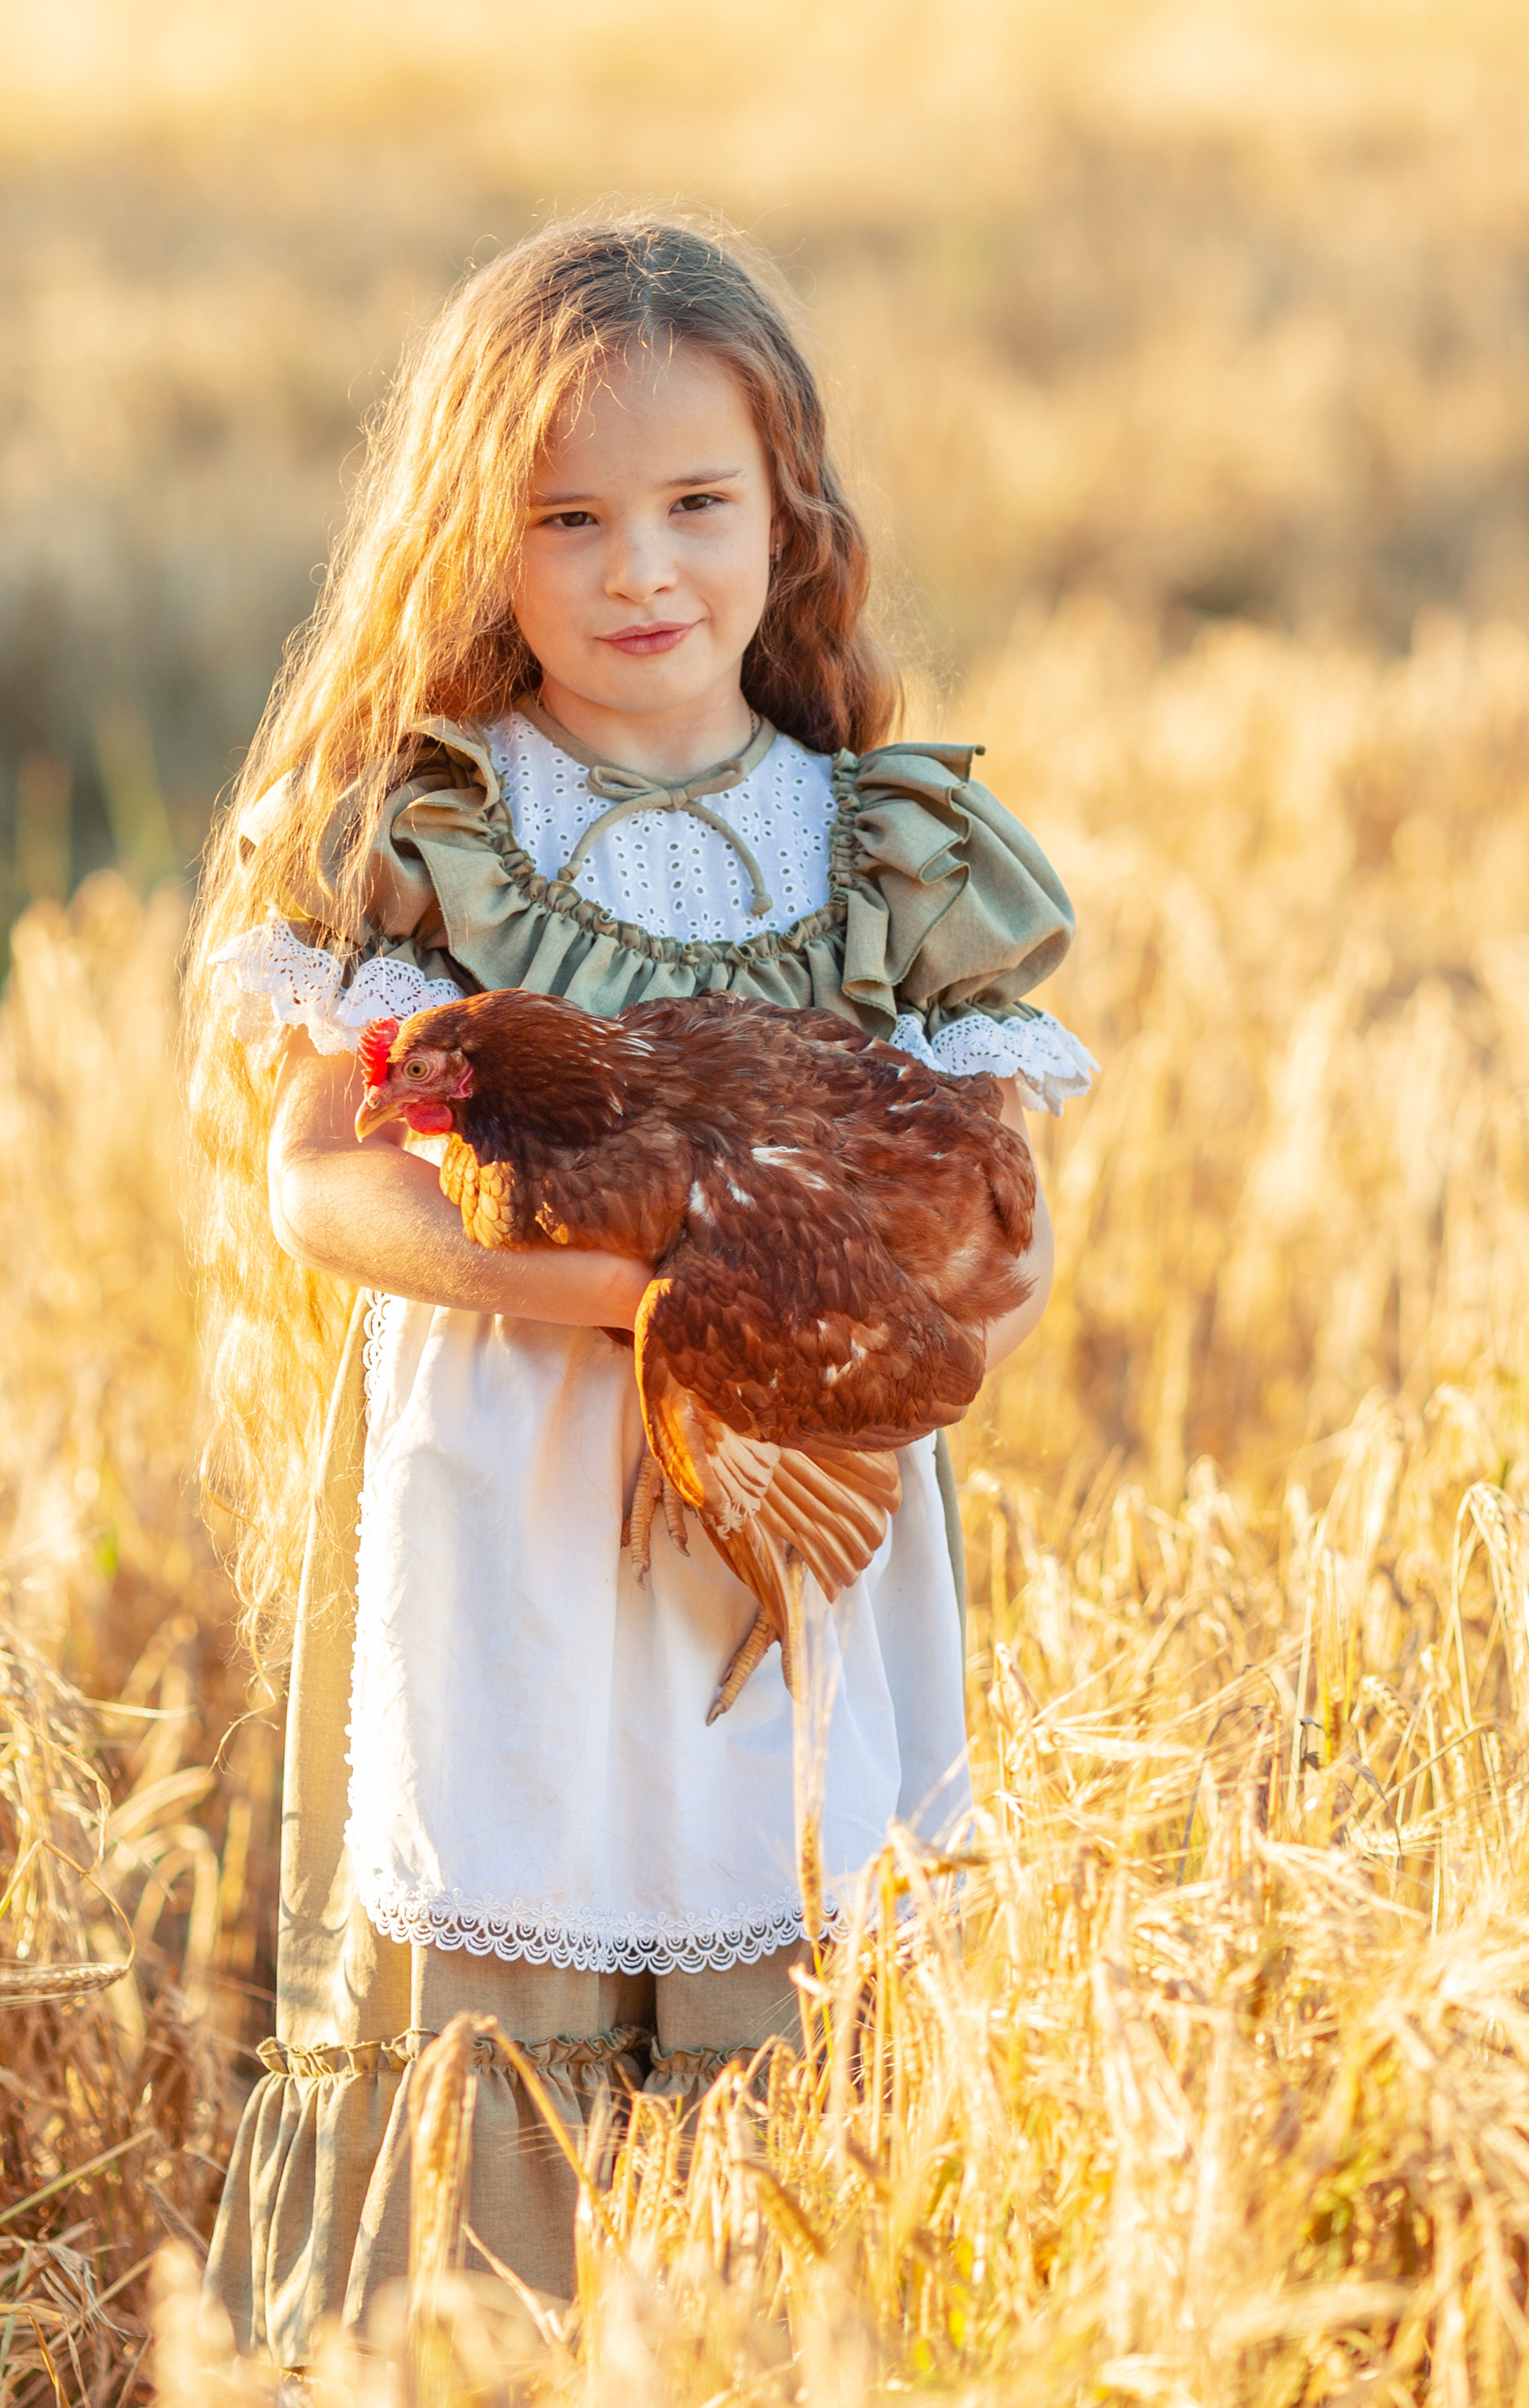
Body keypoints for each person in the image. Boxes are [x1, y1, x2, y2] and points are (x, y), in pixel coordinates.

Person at [188, 215, 1096, 2361]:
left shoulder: (880, 844)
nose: (642, 570)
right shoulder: (440, 827)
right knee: (511, 1907)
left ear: (793, 518)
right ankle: (476, 2352)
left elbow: (1007, 1225)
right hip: (505, 1488)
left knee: (782, 1895)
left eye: (697, 506)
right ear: (474, 541)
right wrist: (630, 1296)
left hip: (799, 1499)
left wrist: (828, 1335)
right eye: (568, 519)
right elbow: (316, 1184)